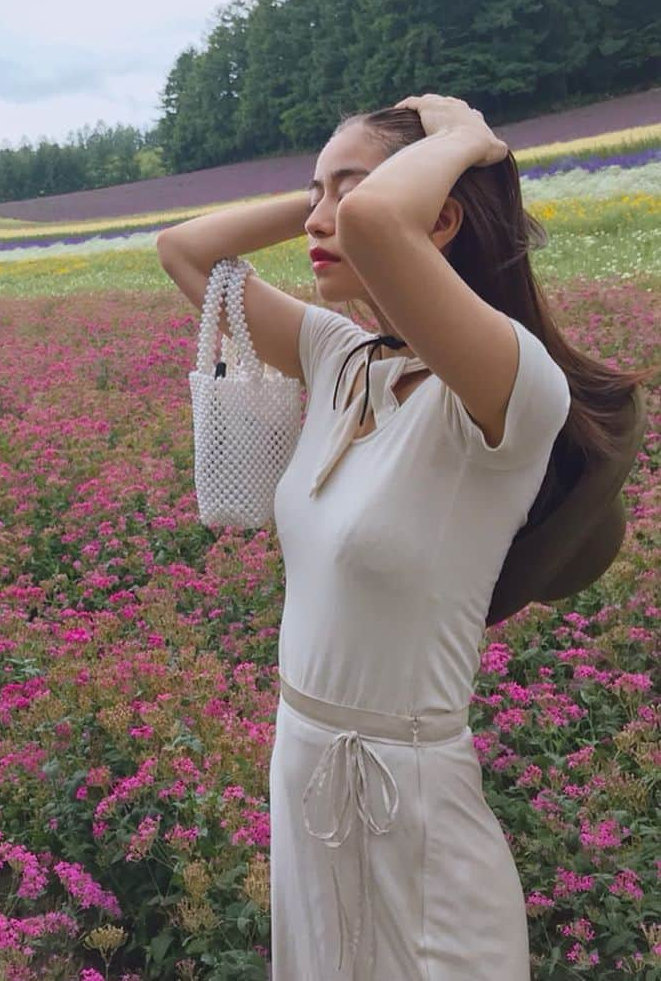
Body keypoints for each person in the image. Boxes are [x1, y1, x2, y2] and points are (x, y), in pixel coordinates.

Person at [157, 94, 653, 980]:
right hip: (304, 768)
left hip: (411, 802)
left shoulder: (508, 388)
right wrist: (321, 186)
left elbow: (383, 223)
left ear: (441, 215)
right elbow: (187, 252)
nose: (322, 219)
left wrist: (463, 141)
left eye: (347, 195)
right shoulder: (340, 359)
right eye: (318, 197)